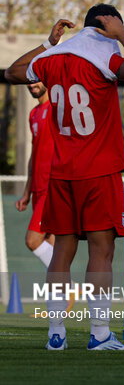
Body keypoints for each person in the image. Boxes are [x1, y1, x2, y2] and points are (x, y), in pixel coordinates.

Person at [5, 3, 124, 350]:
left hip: (61, 172)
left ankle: (55, 333)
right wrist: (123, 34)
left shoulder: (55, 56)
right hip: (98, 170)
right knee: (102, 251)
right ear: (106, 24)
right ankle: (99, 334)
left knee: (62, 252)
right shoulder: (103, 52)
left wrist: (48, 43)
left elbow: (13, 71)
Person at [15, 83, 55, 269]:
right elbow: (34, 154)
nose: (32, 84)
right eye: (29, 80)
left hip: (52, 188)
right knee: (52, 243)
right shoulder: (34, 114)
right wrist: (26, 193)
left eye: (37, 79)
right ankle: (62, 296)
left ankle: (68, 284)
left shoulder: (57, 109)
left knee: (33, 240)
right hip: (37, 189)